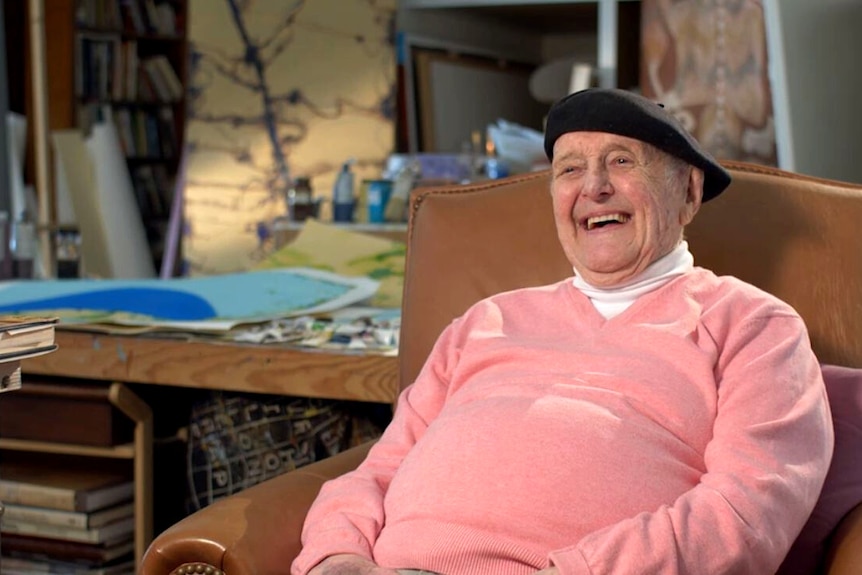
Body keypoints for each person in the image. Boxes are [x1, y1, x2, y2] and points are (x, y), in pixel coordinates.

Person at [291, 88, 834, 575]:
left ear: (689, 194)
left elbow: (744, 514)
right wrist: (338, 560)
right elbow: (380, 471)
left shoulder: (753, 325)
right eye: (569, 170)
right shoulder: (485, 321)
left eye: (621, 162)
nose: (593, 187)